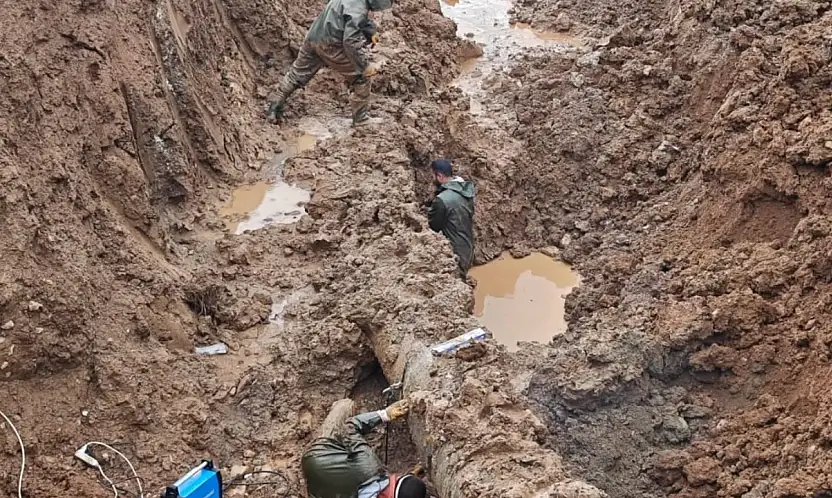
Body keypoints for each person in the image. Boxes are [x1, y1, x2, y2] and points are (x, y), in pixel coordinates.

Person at [266, 0, 391, 126]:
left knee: (297, 74)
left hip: (313, 38)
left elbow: (345, 16)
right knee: (362, 77)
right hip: (331, 44)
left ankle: (274, 105)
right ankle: (361, 118)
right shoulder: (359, 7)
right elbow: (350, 41)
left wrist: (370, 31)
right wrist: (364, 65)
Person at [302, 399, 428, 498]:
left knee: (345, 406)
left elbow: (348, 428)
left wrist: (384, 415)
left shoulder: (370, 466)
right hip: (318, 492)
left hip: (316, 457)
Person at [427, 159, 476, 273]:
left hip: (455, 252)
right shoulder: (466, 189)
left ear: (439, 176)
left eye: (432, 176)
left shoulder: (442, 200)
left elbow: (433, 226)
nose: (432, 179)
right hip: (468, 247)